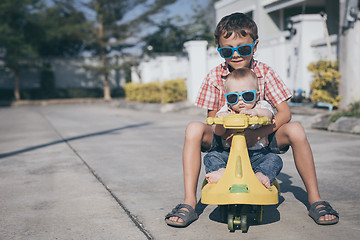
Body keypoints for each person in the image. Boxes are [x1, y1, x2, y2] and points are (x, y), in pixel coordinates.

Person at [165, 12, 339, 227]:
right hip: (225, 139)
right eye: (227, 50)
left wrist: (256, 134)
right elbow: (212, 118)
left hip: (261, 138)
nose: (236, 55)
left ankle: (315, 199)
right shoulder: (214, 76)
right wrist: (227, 132)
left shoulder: (265, 72)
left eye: (243, 49)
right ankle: (189, 201)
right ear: (220, 50)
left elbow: (284, 113)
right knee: (193, 128)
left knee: (296, 130)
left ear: (254, 47)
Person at [204, 68, 282, 190]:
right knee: (212, 156)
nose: (240, 100)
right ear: (227, 99)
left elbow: (269, 115)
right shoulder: (227, 110)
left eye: (247, 95)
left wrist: (256, 112)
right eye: (233, 97)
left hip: (257, 155)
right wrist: (220, 120)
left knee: (274, 159)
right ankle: (221, 172)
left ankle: (261, 175)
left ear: (256, 96)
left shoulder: (261, 106)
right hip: (230, 155)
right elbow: (218, 132)